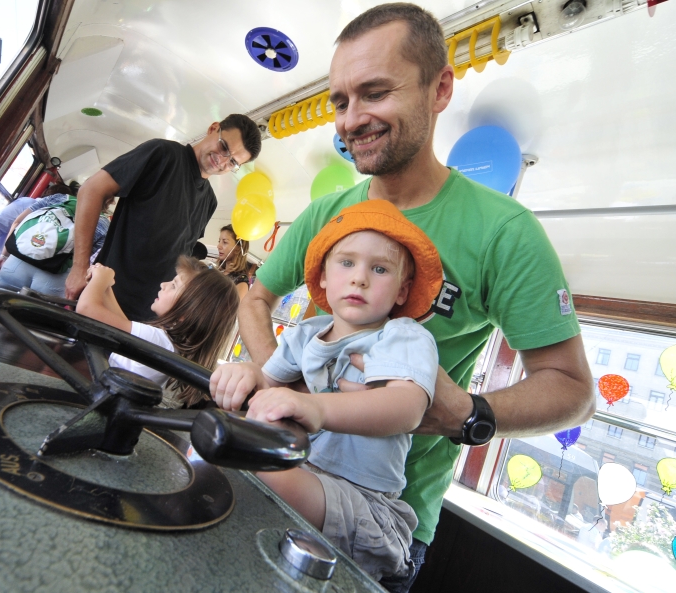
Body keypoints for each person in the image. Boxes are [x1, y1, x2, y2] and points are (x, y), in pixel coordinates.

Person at [236, 4, 595, 591]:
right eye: (341, 101)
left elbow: (574, 392)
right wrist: (273, 381)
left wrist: (470, 415)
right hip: (287, 459)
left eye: (375, 93)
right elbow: (256, 300)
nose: (352, 120)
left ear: (440, 89)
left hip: (382, 508)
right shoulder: (328, 212)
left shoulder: (503, 230)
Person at [211, 200, 442, 581]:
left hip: (363, 500)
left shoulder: (402, 336)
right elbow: (272, 381)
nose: (360, 278)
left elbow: (407, 406)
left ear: (402, 292)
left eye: (380, 269)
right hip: (303, 469)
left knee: (258, 465)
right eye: (346, 263)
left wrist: (317, 406)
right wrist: (249, 373)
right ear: (321, 278)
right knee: (234, 449)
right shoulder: (304, 333)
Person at [64, 114, 263, 320]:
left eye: (232, 162)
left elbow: (179, 256)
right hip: (103, 297)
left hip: (148, 319)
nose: (222, 161)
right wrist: (79, 268)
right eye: (223, 147)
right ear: (213, 128)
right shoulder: (163, 154)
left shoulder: (209, 201)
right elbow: (91, 190)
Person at [76, 257, 239, 408]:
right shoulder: (167, 343)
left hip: (102, 403)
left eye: (174, 285)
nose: (163, 284)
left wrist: (100, 279)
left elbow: (86, 308)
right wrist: (106, 286)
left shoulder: (159, 340)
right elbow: (122, 324)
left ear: (188, 312)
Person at [0, 191, 112, 297]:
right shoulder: (104, 224)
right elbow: (89, 263)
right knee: (28, 319)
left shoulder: (59, 199)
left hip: (15, 265)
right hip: (53, 279)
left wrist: (4, 255)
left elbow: (17, 222)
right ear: (108, 202)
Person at [216, 224, 251, 299]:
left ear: (238, 248)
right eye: (219, 241)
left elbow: (232, 310)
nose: (218, 246)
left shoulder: (241, 282)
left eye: (225, 242)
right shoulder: (217, 270)